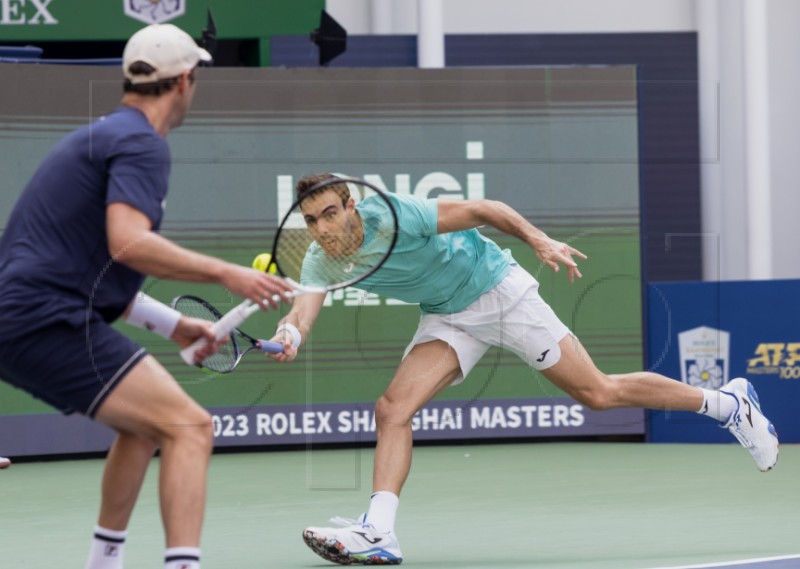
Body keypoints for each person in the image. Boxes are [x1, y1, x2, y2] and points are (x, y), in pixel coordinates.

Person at [268, 173, 779, 566]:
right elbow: (303, 311)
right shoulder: (319, 259)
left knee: (598, 393)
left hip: (497, 291)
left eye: (329, 214)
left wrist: (538, 240)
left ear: (350, 204)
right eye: (312, 220)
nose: (322, 228)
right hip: (448, 316)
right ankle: (378, 532)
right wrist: (290, 334)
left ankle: (728, 404)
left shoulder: (397, 215)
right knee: (392, 409)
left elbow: (483, 209)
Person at [0, 24, 292, 569]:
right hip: (43, 318)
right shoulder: (140, 143)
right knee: (189, 427)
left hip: (22, 315)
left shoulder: (103, 135)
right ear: (185, 81)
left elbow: (84, 263)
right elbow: (128, 242)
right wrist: (227, 273)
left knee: (143, 428)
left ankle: (102, 563)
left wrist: (170, 324)